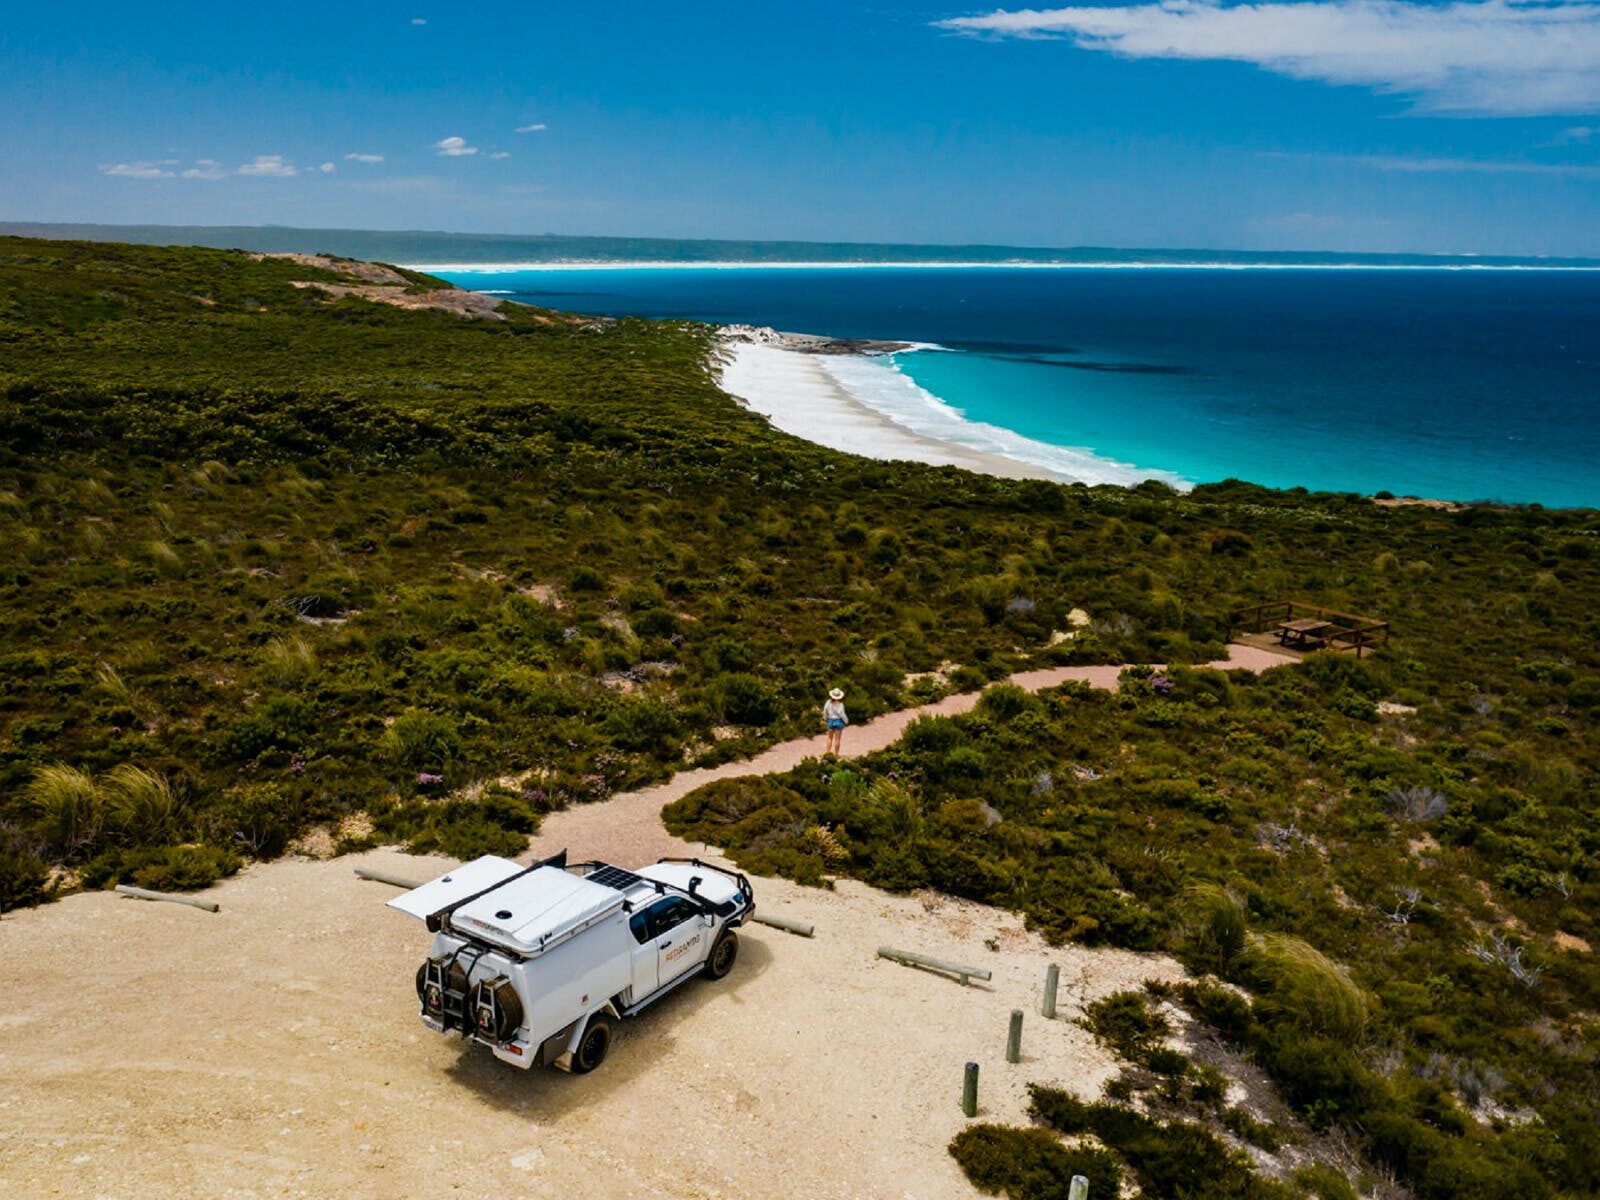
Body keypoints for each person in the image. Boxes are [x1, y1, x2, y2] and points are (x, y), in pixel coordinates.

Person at [822, 687, 848, 756]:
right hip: (838, 721)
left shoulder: (828, 702)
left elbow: (825, 711)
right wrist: (846, 721)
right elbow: (842, 714)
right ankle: (836, 754)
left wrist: (825, 718)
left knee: (829, 738)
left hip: (830, 720)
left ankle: (828, 753)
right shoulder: (840, 704)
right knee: (837, 739)